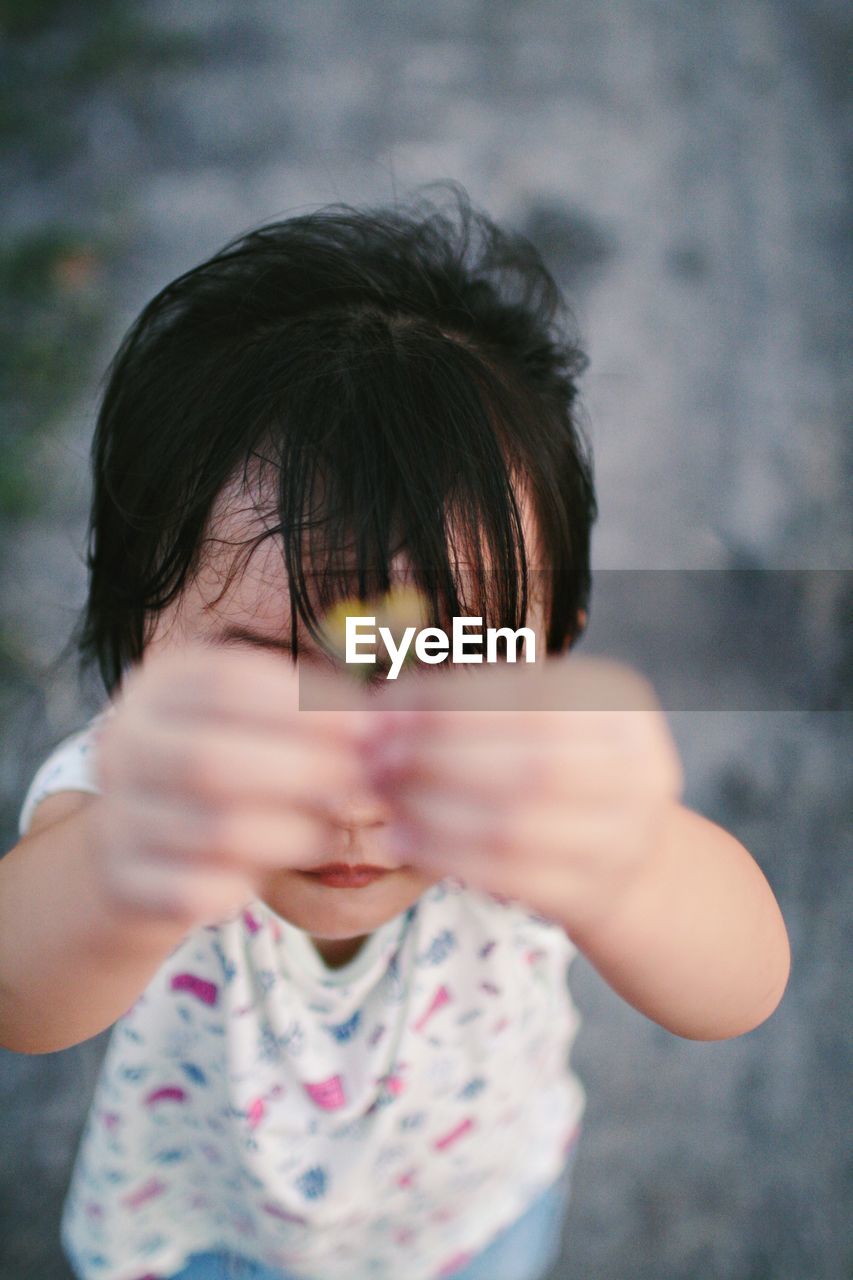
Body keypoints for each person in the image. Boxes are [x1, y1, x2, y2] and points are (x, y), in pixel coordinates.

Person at [0, 185, 791, 1280]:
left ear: (548, 654)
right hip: (201, 1237)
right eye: (265, 674)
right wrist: (128, 859)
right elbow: (19, 997)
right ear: (137, 642)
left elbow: (740, 983)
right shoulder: (128, 799)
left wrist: (630, 857)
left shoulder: (523, 807)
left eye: (436, 672)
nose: (353, 782)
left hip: (473, 1224)